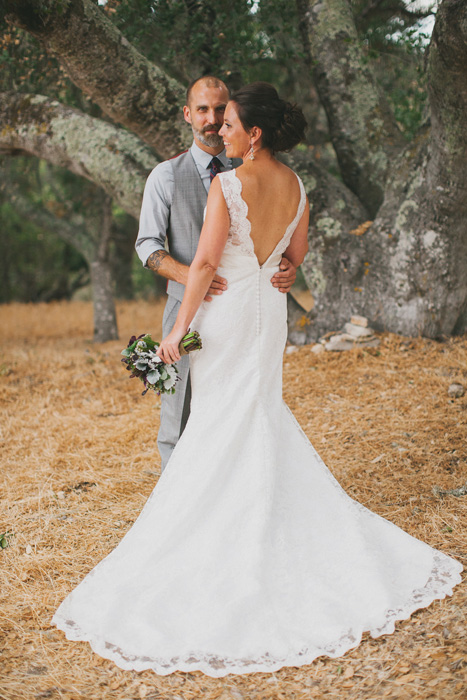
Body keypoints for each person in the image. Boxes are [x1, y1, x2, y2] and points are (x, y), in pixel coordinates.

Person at [53, 83, 462, 677]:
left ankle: (223, 534)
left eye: (232, 122)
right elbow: (292, 261)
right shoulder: (297, 186)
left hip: (227, 316)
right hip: (268, 316)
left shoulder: (227, 184)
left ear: (254, 133)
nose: (223, 129)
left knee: (221, 419)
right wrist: (285, 267)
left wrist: (175, 331)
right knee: (255, 414)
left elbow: (205, 265)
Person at [135, 75, 297, 471]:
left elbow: (280, 242)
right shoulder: (166, 175)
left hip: (241, 312)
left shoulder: (250, 171)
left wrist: (287, 267)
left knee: (237, 407)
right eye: (203, 110)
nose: (213, 119)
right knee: (178, 413)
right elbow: (147, 246)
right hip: (186, 309)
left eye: (221, 111)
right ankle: (177, 498)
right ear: (188, 114)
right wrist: (192, 276)